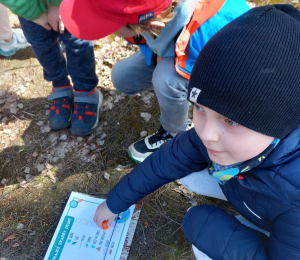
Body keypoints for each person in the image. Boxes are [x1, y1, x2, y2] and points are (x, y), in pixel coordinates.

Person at [92, 5, 300, 260]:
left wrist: (202, 225)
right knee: (187, 169)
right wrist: (115, 203)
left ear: (280, 123)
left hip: (282, 228)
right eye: (199, 108)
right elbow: (167, 161)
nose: (205, 132)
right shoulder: (232, 138)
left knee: (205, 254)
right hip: (249, 186)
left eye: (230, 119)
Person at [60, 0, 249, 161]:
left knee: (166, 79)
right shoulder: (156, 14)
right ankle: (180, 93)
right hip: (181, 48)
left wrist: (201, 105)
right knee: (123, 76)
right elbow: (153, 42)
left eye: (108, 24)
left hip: (219, 67)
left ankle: (174, 135)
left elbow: (230, 82)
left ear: (153, 25)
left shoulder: (211, 33)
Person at [0, 0, 101, 136]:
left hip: (66, 3)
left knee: (77, 39)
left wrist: (57, 4)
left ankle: (86, 89)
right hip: (27, 7)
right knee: (42, 47)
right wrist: (33, 13)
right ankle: (60, 86)